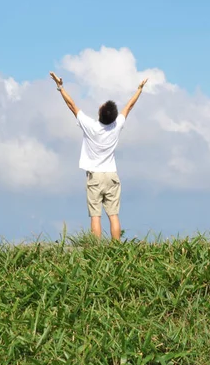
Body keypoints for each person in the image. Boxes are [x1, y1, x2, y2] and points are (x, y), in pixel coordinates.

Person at [50, 71, 148, 240]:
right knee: (114, 215)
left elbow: (72, 105)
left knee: (96, 216)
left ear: (100, 112)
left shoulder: (90, 126)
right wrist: (139, 89)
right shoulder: (116, 126)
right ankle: (116, 249)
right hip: (111, 175)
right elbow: (129, 106)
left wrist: (60, 87)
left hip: (95, 176)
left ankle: (97, 251)